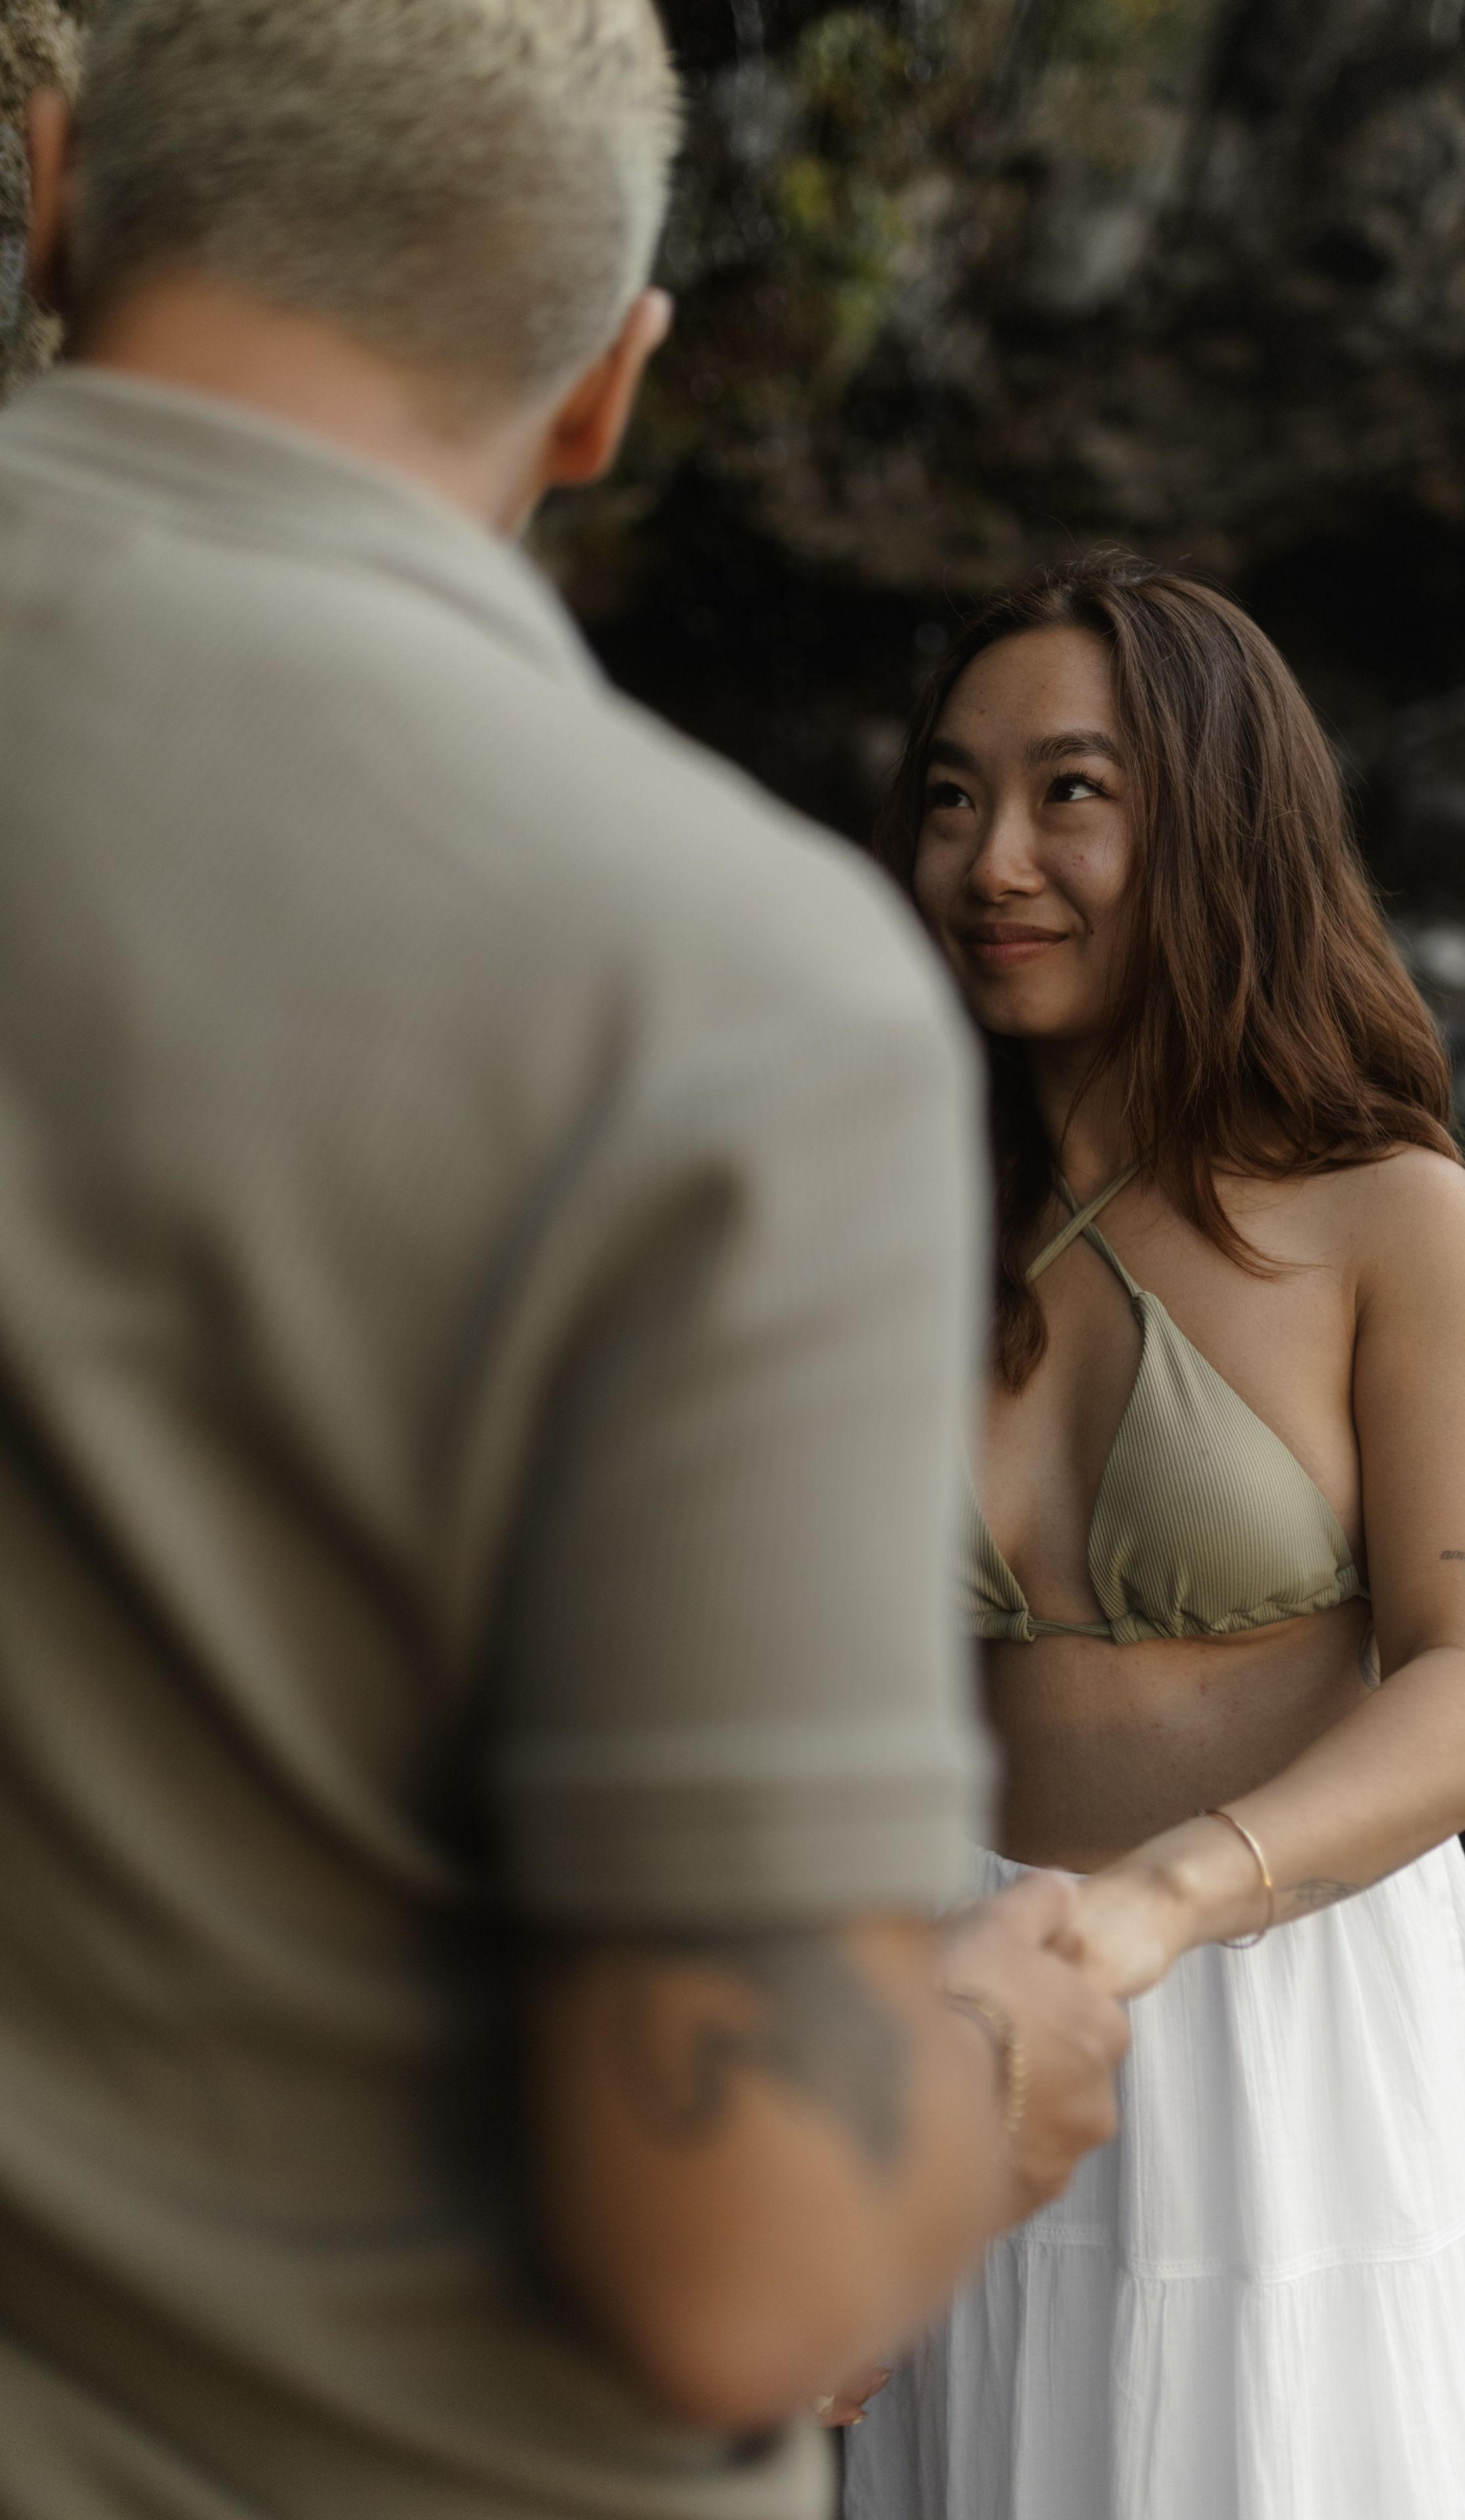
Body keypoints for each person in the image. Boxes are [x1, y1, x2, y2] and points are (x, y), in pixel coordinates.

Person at [0, 12, 1132, 2520]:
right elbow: (736, 2264)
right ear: (609, 388)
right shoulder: (715, 991)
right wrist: (983, 2080)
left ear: (54, 190)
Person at [841, 556, 1465, 2519]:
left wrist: (1166, 1902)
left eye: (1072, 792)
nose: (993, 857)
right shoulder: (887, 1213)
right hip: (968, 2001)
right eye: (949, 794)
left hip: (1289, 2032)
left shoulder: (1387, 1218)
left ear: (1218, 823)